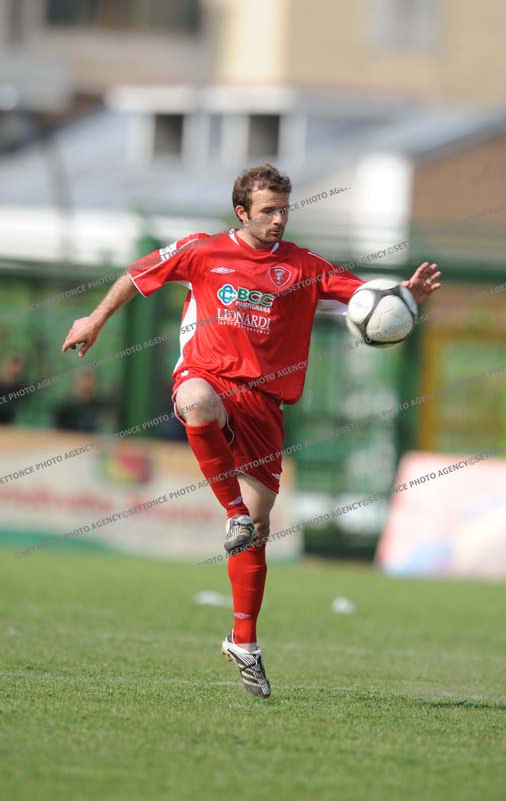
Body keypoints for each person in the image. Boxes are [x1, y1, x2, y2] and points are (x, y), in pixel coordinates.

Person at [62, 164, 441, 698]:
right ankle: (232, 513)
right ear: (242, 212)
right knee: (197, 406)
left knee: (259, 529)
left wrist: (404, 296)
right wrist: (95, 319)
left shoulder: (304, 266)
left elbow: (365, 299)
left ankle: (244, 642)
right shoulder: (201, 250)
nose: (279, 219)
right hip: (208, 378)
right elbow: (135, 274)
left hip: (265, 404)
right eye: (268, 211)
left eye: (284, 209)